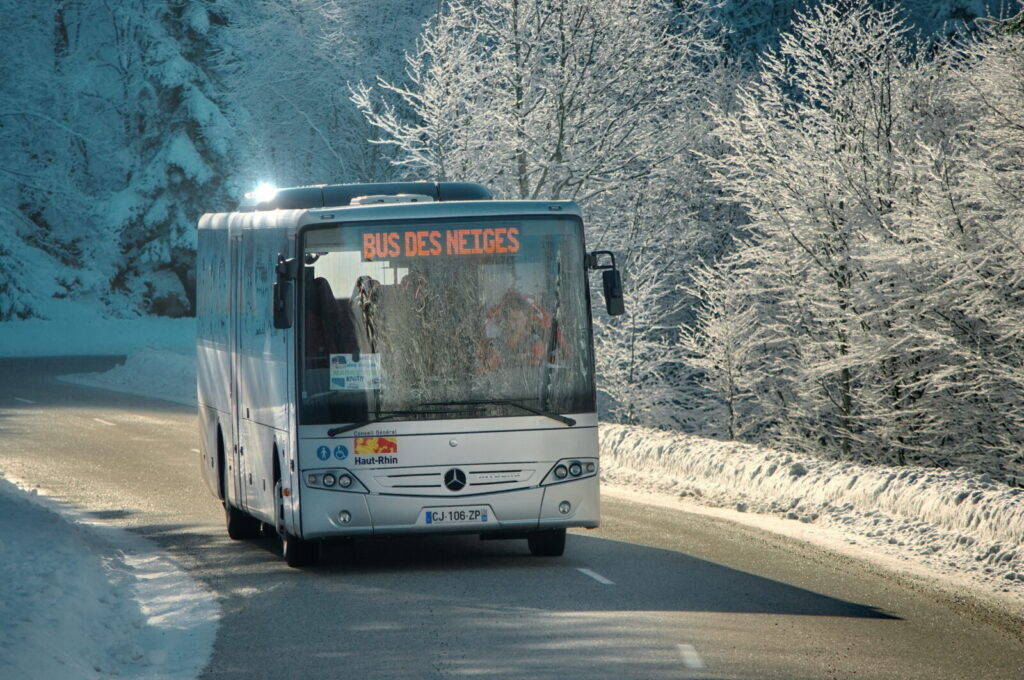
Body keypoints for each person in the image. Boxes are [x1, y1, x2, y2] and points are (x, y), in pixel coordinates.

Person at [480, 289, 569, 370]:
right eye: (510, 320)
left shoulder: (534, 342)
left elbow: (533, 368)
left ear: (526, 319)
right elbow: (490, 363)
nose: (513, 324)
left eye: (516, 320)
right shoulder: (500, 340)